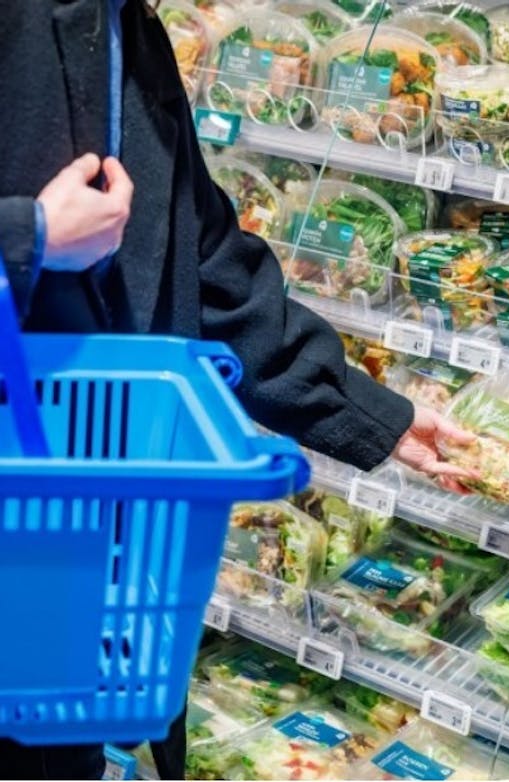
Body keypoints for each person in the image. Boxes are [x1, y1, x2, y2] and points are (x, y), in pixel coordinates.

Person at [0, 1, 475, 778]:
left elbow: (201, 254)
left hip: (83, 530)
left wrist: (364, 411)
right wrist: (27, 236)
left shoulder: (127, 28)